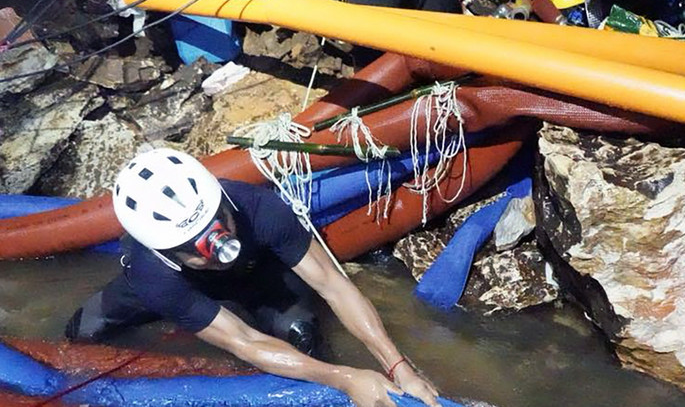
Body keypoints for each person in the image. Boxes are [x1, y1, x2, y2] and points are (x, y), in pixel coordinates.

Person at [65, 148, 441, 407]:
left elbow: (333, 284)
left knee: (302, 336)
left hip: (253, 272)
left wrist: (397, 367)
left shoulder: (258, 208)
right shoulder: (153, 274)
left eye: (218, 226)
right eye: (192, 248)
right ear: (165, 252)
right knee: (81, 334)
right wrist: (347, 378)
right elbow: (242, 341)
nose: (214, 247)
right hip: (172, 290)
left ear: (224, 204)